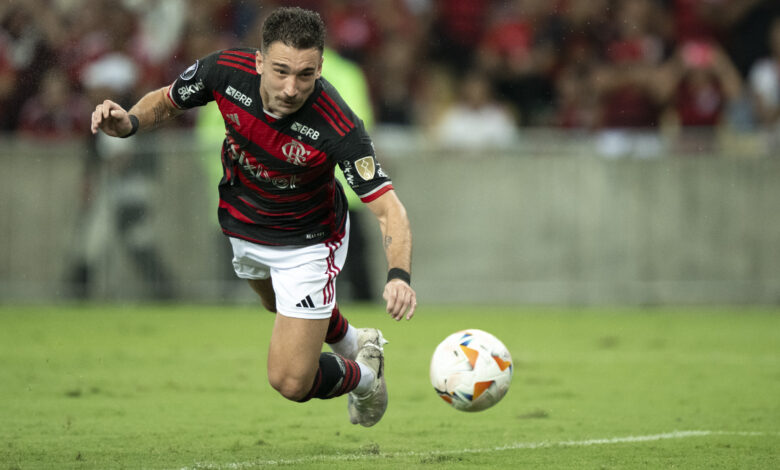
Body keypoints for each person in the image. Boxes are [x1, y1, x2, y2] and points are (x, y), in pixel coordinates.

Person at [90, 7, 417, 427]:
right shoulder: (225, 71)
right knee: (274, 304)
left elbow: (389, 208)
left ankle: (366, 379)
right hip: (243, 224)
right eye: (281, 71)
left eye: (305, 74)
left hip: (308, 241)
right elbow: (168, 100)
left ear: (319, 67)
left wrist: (398, 276)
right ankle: (358, 341)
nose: (291, 87)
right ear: (259, 60)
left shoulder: (336, 124)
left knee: (290, 380)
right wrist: (130, 122)